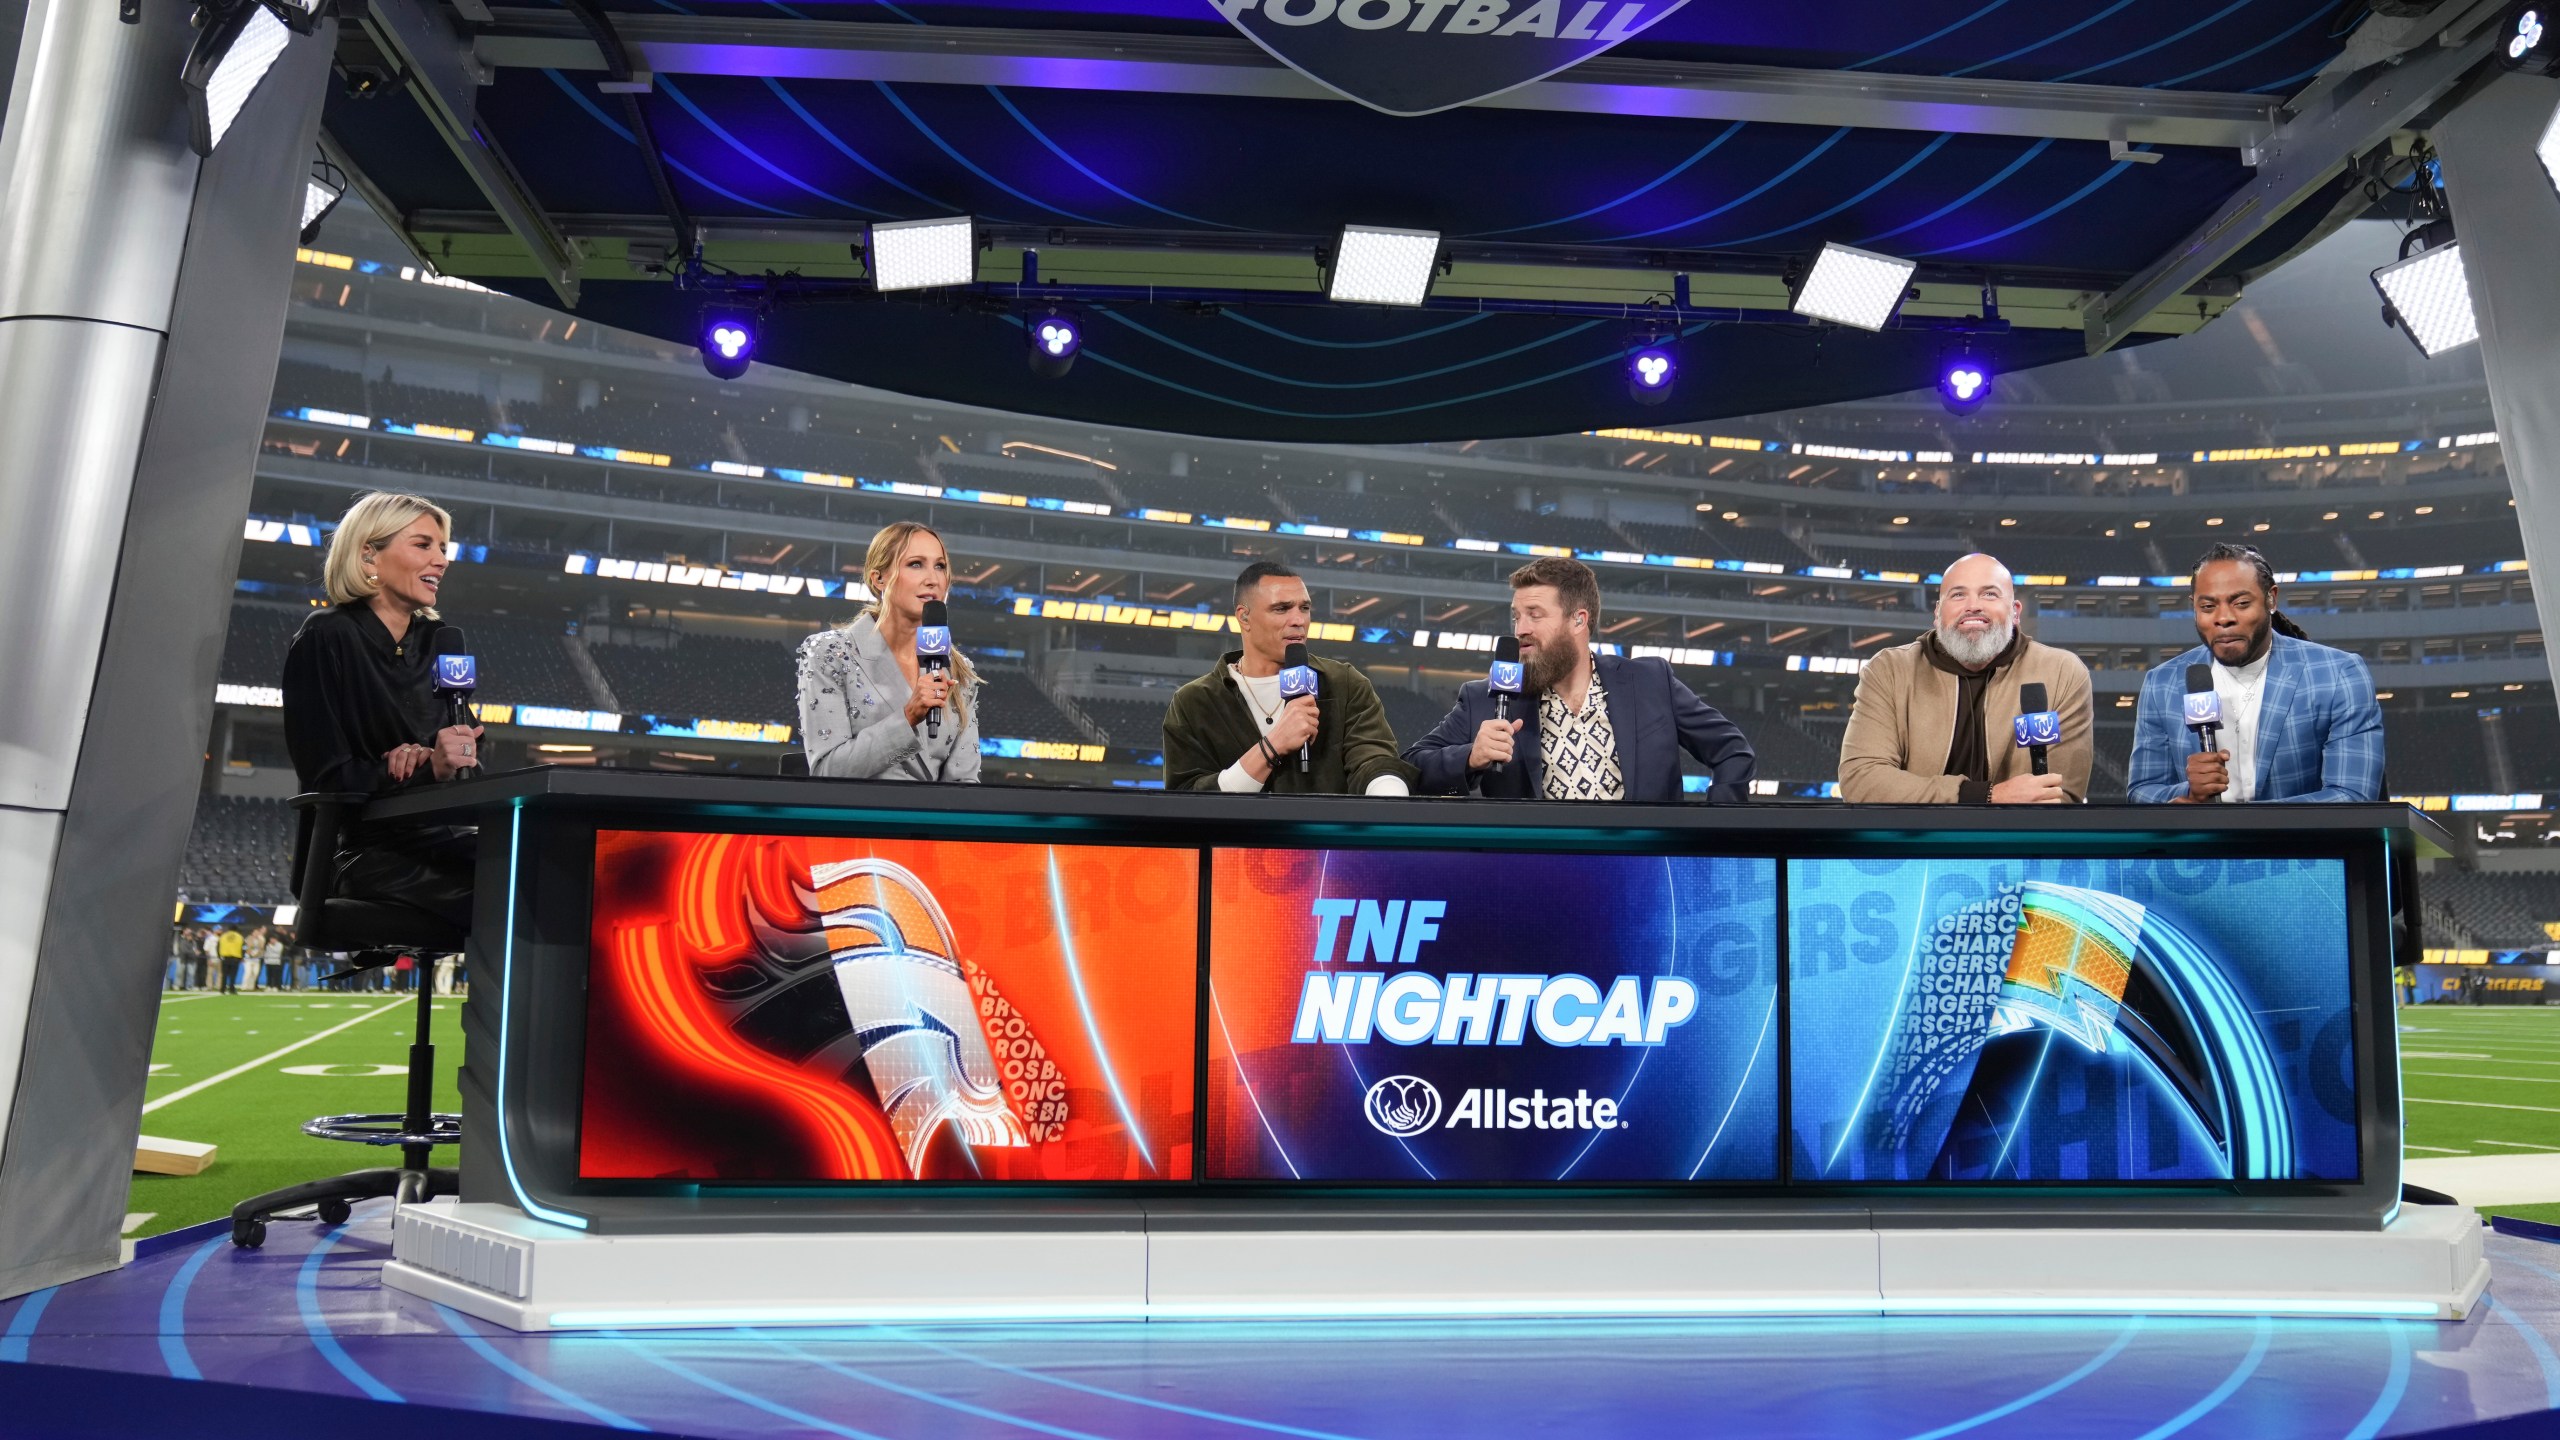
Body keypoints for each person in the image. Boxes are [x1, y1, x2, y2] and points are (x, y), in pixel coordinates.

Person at [281, 492, 483, 932]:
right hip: (361, 851)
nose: (442, 560)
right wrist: (420, 767)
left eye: (444, 548)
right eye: (423, 545)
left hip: (445, 837)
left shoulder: (441, 641)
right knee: (510, 896)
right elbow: (326, 778)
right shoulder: (325, 637)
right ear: (369, 554)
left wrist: (456, 755)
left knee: (548, 871)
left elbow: (466, 761)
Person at [1406, 556, 1754, 802]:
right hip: (1544, 881)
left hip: (1644, 876)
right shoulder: (1488, 698)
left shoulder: (1649, 682)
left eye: (1535, 614)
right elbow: (1412, 766)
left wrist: (1710, 830)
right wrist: (1469, 756)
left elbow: (1733, 751)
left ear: (1578, 620)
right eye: (1516, 616)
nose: (1520, 629)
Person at [2128, 543, 2384, 803]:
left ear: (2271, 599)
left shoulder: (2338, 674)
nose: (2223, 618)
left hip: (2303, 845)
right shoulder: (2162, 683)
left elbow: (2352, 797)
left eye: (2240, 603)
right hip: (2204, 845)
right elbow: (2142, 791)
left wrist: (2239, 826)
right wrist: (2186, 794)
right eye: (2207, 607)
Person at [1838, 553, 2093, 804]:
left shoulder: (2061, 672)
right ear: (1938, 612)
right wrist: (1988, 796)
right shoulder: (1890, 670)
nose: (1973, 606)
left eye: (1989, 594)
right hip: (1915, 841)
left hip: (2017, 842)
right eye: (1958, 594)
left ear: (2015, 612)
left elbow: (2062, 795)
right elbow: (1861, 779)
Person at [1161, 560, 1417, 795]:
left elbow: (1373, 761)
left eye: (1304, 608)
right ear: (1244, 617)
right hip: (1235, 844)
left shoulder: (1344, 684)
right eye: (1281, 609)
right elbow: (1187, 797)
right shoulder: (1194, 702)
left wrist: (1390, 798)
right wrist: (1272, 746)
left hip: (1325, 844)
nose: (1298, 620)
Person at [797, 521, 981, 783]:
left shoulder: (959, 670)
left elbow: (964, 781)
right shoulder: (830, 653)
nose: (933, 579)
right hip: (861, 819)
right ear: (878, 578)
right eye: (916, 564)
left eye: (940, 566)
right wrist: (908, 718)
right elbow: (827, 771)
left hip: (933, 821)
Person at [216, 927, 244, 994]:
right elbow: (243, 947)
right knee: (233, 975)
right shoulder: (239, 937)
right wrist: (242, 957)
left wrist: (219, 956)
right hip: (235, 958)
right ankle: (232, 989)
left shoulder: (223, 936)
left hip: (225, 958)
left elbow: (218, 946)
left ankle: (222, 989)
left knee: (224, 974)